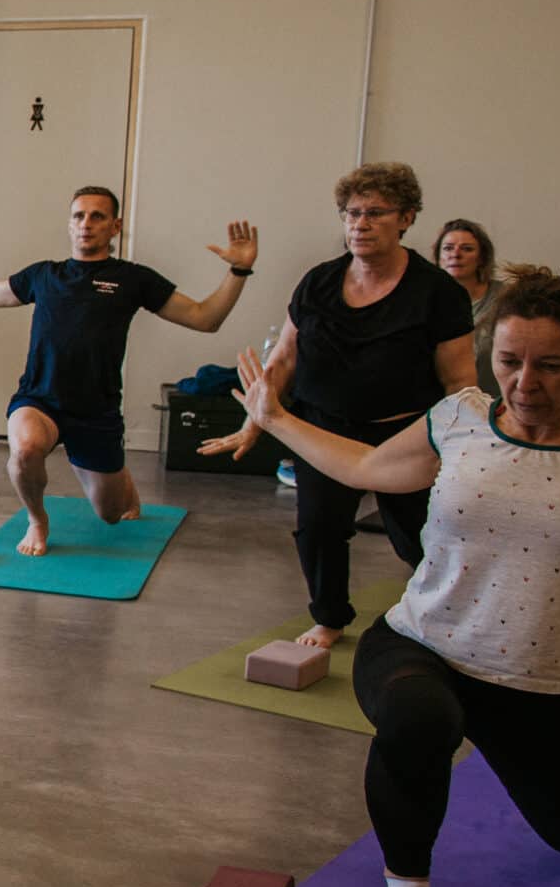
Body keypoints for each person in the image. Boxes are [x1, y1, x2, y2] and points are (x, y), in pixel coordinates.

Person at [230, 266, 560, 887]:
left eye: (552, 365)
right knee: (418, 721)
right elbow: (367, 467)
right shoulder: (461, 417)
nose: (525, 382)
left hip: (543, 676)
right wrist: (277, 418)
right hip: (424, 644)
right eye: (509, 360)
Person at [201, 166, 474, 647]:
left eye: (374, 213)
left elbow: (459, 380)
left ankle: (444, 615)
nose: (359, 225)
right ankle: (329, 617)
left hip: (404, 435)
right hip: (323, 429)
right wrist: (255, 423)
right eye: (351, 214)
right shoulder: (319, 283)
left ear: (406, 218)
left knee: (420, 537)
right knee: (319, 531)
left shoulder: (438, 293)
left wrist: (462, 452)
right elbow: (283, 358)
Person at [0, 188, 258, 556]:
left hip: (96, 412)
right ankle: (37, 520)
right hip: (39, 399)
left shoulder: (134, 279)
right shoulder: (44, 275)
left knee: (111, 515)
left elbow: (205, 318)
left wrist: (238, 270)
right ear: (69, 224)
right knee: (25, 449)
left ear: (115, 227)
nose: (86, 224)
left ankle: (121, 480)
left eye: (97, 216)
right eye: (79, 216)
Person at [435, 217, 507, 399]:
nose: (456, 254)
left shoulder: (504, 298)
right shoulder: (425, 300)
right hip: (442, 404)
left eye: (467, 249)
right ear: (438, 257)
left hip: (493, 402)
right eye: (448, 248)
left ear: (482, 258)